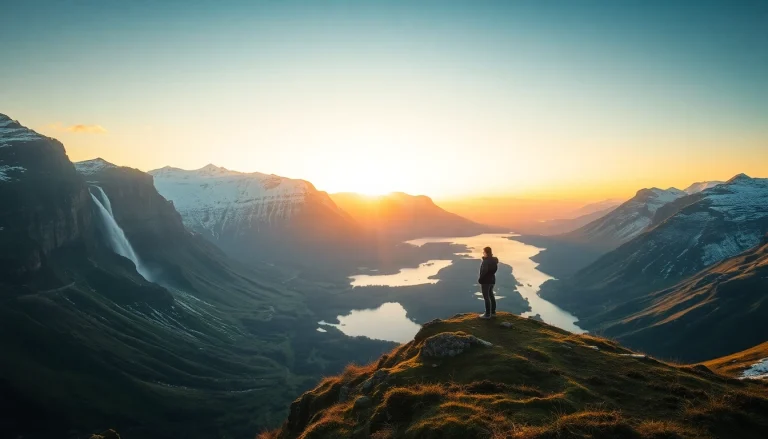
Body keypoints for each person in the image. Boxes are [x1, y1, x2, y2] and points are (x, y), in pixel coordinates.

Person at [477, 246, 498, 319]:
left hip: (486, 281)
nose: (483, 253)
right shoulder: (494, 261)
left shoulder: (486, 261)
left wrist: (480, 279)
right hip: (492, 280)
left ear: (486, 252)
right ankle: (493, 312)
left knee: (486, 297)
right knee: (491, 295)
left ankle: (487, 314)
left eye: (484, 252)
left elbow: (484, 271)